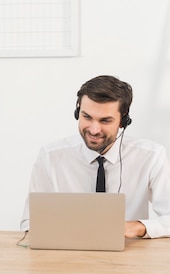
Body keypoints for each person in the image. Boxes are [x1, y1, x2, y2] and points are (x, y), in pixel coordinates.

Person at [20, 75, 170, 238]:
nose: (94, 130)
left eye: (105, 120)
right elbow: (30, 222)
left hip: (129, 254)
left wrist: (137, 227)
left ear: (123, 120)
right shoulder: (50, 156)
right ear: (78, 112)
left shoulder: (151, 156)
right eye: (87, 117)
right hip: (67, 255)